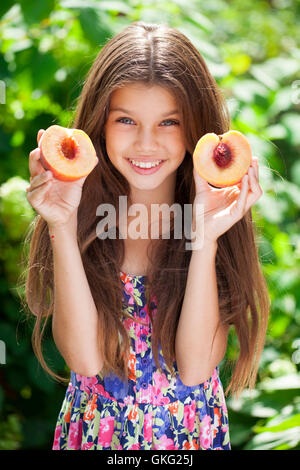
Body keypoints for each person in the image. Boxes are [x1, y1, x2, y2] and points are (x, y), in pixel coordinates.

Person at [23, 21, 270, 450]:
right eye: (126, 120)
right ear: (99, 123)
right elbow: (84, 359)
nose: (146, 143)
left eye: (169, 122)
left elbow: (194, 369)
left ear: (197, 128)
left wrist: (205, 239)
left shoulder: (219, 219)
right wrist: (60, 224)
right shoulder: (78, 217)